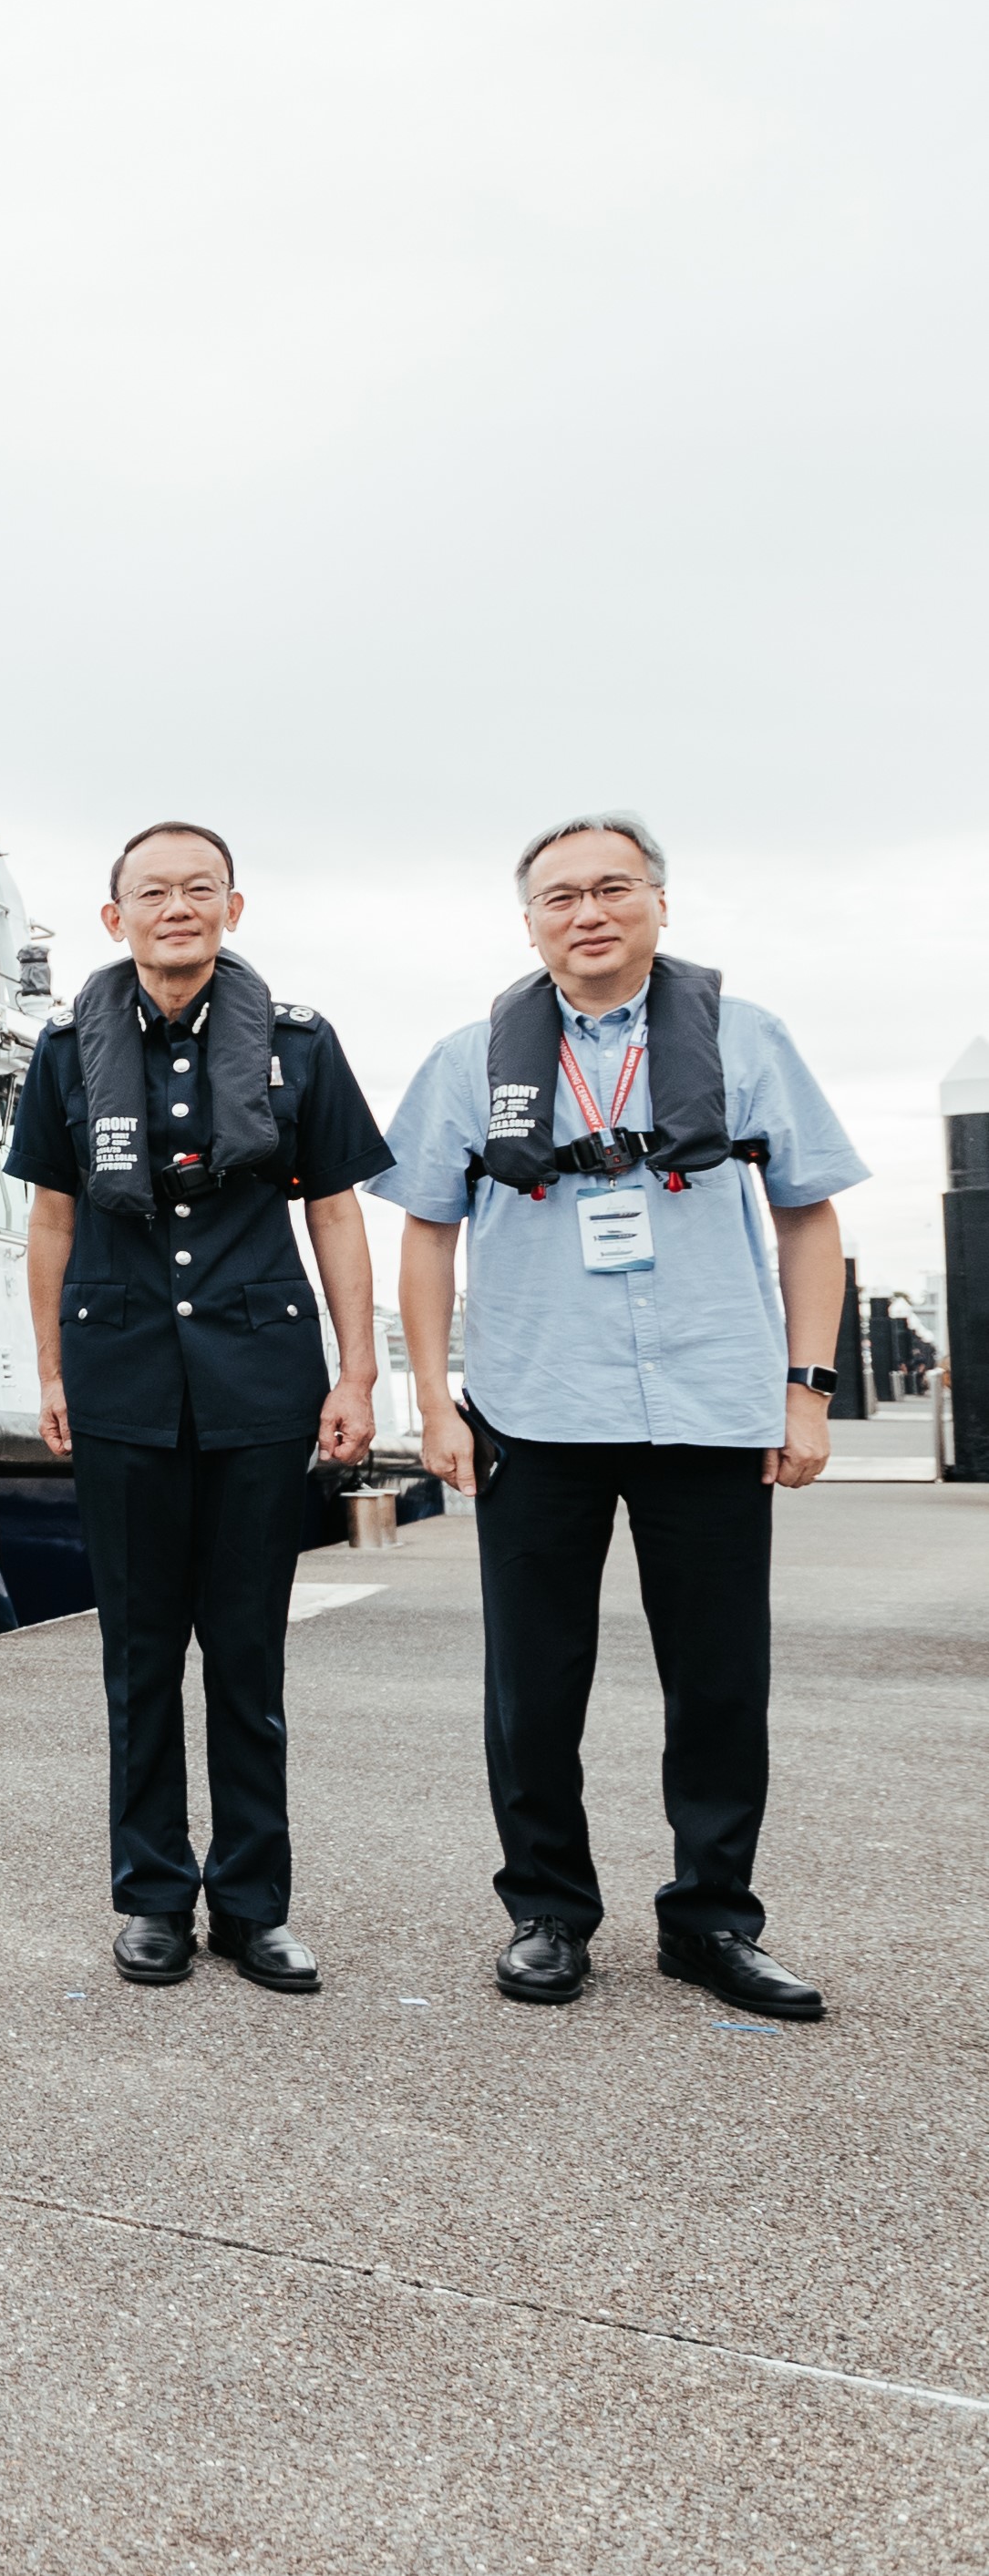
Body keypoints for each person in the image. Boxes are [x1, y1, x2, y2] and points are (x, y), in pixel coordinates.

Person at [375, 813, 861, 2021]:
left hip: (710, 1401)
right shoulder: (466, 1058)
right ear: (529, 920)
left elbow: (809, 1216)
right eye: (559, 897)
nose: (586, 912)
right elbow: (426, 1231)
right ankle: (548, 1911)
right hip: (539, 1405)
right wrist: (436, 1399)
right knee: (534, 1681)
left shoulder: (747, 1039)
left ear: (658, 901)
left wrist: (807, 1388)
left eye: (611, 889)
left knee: (719, 1680)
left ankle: (712, 1919)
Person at [9, 822, 393, 1995]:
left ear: (234, 908)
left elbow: (333, 1210)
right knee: (136, 1657)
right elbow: (54, 1223)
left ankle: (255, 1904)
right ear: (111, 917)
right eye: (150, 892)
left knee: (245, 1657)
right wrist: (53, 1375)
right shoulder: (66, 1049)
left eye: (198, 890)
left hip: (255, 1383)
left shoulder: (297, 1047)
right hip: (121, 1377)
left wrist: (356, 1372)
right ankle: (152, 1899)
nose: (176, 907)